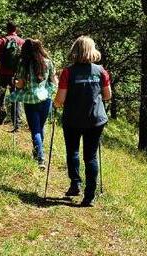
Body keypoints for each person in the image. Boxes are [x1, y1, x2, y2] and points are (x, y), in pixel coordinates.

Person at [54, 35, 111, 206]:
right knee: (91, 156)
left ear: (75, 50)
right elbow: (107, 96)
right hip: (95, 119)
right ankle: (89, 196)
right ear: (93, 51)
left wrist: (55, 104)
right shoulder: (101, 71)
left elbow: (60, 100)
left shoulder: (67, 72)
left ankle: (75, 184)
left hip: (72, 119)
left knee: (73, 152)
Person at [8, 39, 57, 169]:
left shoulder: (24, 64)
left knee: (35, 129)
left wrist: (15, 83)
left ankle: (40, 158)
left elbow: (21, 84)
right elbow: (53, 81)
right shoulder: (48, 62)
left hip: (30, 100)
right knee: (40, 127)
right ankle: (37, 153)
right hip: (45, 99)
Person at [0, 21, 25, 129]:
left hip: (2, 73)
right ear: (16, 29)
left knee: (0, 97)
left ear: (7, 29)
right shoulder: (22, 42)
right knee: (16, 98)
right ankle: (16, 123)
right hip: (16, 75)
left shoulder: (2, 40)